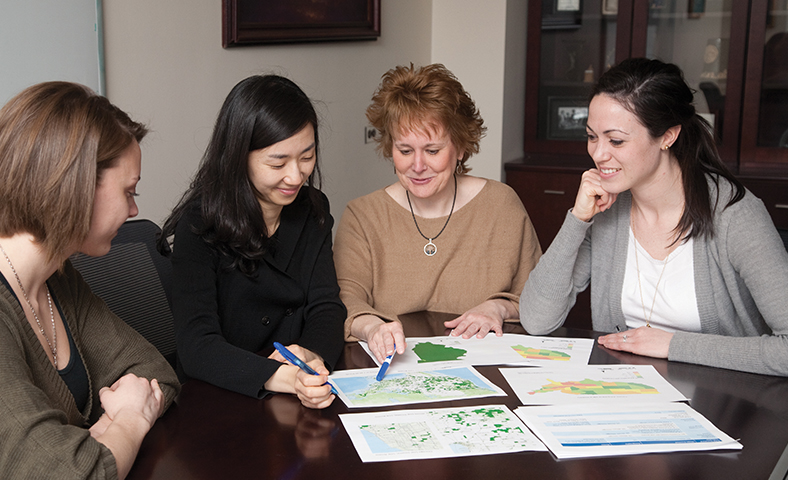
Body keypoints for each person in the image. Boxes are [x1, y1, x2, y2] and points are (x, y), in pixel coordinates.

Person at [520, 58, 788, 376]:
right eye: (592, 136)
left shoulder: (735, 215)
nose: (598, 153)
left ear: (667, 136)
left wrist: (672, 345)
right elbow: (536, 320)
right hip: (624, 395)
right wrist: (578, 218)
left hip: (722, 405)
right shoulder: (606, 210)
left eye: (616, 140)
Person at [0, 82, 180, 479]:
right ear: (75, 188)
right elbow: (68, 473)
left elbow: (155, 370)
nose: (135, 210)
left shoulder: (59, 280)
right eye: (129, 191)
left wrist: (102, 446)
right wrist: (129, 422)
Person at [334, 63, 542, 363]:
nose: (417, 166)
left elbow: (538, 299)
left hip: (486, 374)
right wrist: (372, 328)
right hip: (393, 372)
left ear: (460, 147)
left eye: (432, 151)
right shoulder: (363, 215)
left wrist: (498, 307)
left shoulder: (500, 204)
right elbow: (343, 300)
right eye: (405, 151)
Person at [159, 75, 345, 408]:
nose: (295, 176)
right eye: (278, 162)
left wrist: (312, 356)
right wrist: (280, 377)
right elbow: (197, 346)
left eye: (307, 157)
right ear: (239, 156)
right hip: (223, 398)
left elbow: (326, 306)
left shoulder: (312, 209)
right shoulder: (200, 224)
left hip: (294, 395)